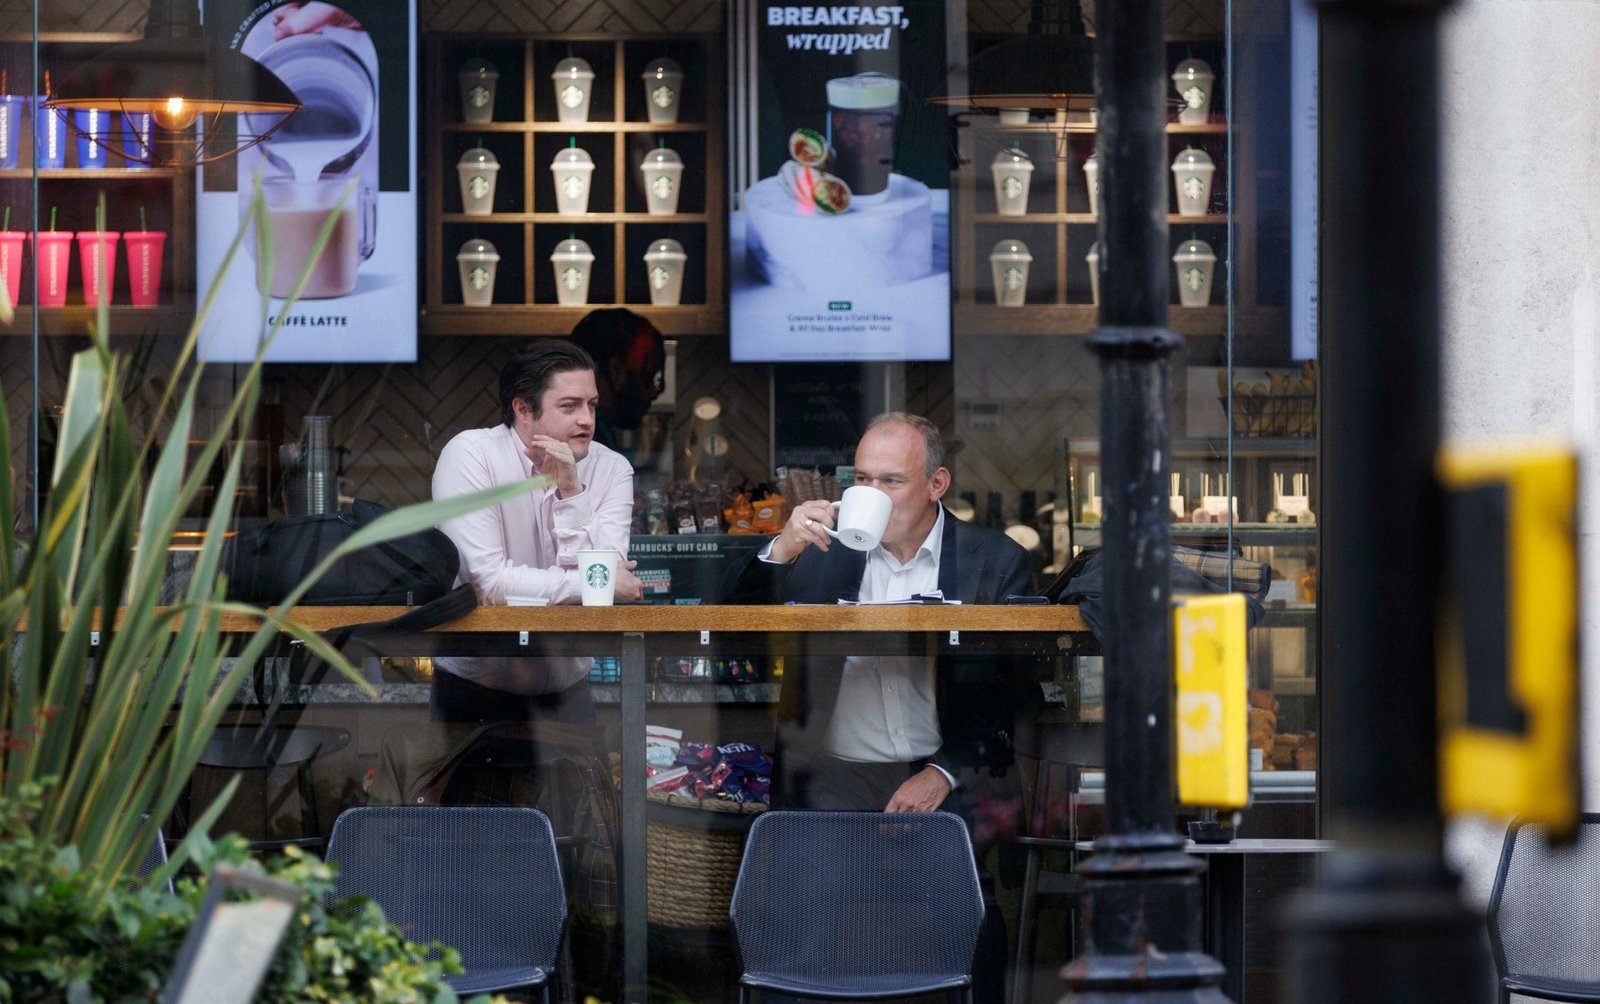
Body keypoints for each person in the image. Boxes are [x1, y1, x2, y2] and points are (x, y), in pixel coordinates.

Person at [716, 412, 1031, 1004]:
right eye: (862, 480)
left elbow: (1017, 693)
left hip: (943, 772)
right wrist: (780, 547)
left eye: (892, 481)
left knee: (968, 922)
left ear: (936, 484)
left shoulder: (994, 560)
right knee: (803, 930)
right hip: (829, 775)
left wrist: (943, 772)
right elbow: (727, 621)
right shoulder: (819, 551)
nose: (872, 495)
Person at [430, 338, 645, 723]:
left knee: (587, 788)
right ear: (523, 409)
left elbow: (607, 583)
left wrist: (571, 491)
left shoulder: (612, 469)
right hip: (476, 692)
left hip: (569, 694)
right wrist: (594, 586)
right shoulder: (471, 455)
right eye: (569, 406)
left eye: (591, 405)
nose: (587, 419)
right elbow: (487, 584)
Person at [565, 308, 666, 453]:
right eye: (647, 375)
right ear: (616, 370)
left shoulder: (583, 429)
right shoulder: (583, 442)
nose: (654, 392)